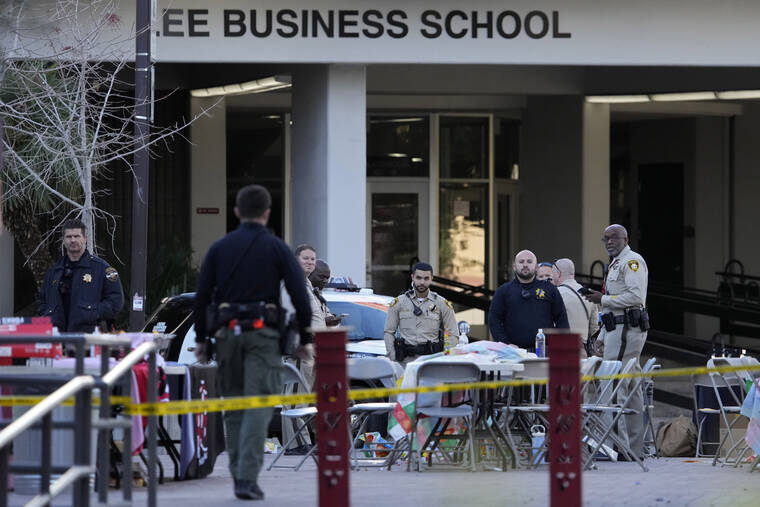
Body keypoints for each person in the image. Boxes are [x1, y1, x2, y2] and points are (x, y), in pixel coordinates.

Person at [194, 184, 311, 501]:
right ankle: (247, 477)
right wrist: (304, 336)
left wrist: (203, 339)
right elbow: (301, 296)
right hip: (263, 337)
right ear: (267, 213)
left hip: (227, 336)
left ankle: (239, 476)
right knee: (259, 405)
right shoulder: (277, 248)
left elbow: (202, 296)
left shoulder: (219, 248)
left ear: (236, 212)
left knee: (233, 406)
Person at [583, 224, 649, 460]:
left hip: (627, 329)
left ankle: (621, 447)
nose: (609, 242)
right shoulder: (616, 263)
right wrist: (602, 335)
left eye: (614, 238)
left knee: (619, 385)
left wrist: (604, 298)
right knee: (627, 386)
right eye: (605, 239)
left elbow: (636, 297)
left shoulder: (633, 261)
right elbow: (613, 306)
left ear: (626, 239)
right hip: (615, 329)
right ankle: (629, 445)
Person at [38, 219, 123, 332]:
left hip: (89, 337)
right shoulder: (54, 271)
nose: (73, 240)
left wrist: (92, 314)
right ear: (63, 240)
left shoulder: (102, 269)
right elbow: (42, 301)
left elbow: (116, 301)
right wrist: (48, 316)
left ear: (85, 239)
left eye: (77, 236)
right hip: (57, 336)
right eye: (69, 237)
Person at [488, 250, 569, 350]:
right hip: (513, 354)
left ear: (536, 267)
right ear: (514, 267)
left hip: (544, 352)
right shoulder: (503, 291)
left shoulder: (550, 289)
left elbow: (562, 319)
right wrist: (506, 344)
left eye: (529, 262)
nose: (525, 265)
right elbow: (494, 320)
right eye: (521, 262)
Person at [383, 262, 459, 365]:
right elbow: (388, 332)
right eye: (418, 278)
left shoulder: (441, 304)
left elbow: (452, 333)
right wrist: (393, 357)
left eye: (426, 278)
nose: (422, 282)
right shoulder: (399, 303)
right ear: (412, 277)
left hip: (431, 362)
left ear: (431, 278)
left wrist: (445, 358)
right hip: (405, 362)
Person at [551, 258, 599, 358]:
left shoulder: (555, 293)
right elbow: (594, 328)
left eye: (553, 273)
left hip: (560, 349)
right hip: (582, 350)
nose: (551, 276)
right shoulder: (588, 293)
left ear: (558, 273)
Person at [308, 259, 343, 327]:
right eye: (322, 277)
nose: (325, 281)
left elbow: (324, 315)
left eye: (327, 278)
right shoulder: (303, 294)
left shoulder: (318, 294)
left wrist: (331, 319)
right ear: (310, 274)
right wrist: (324, 322)